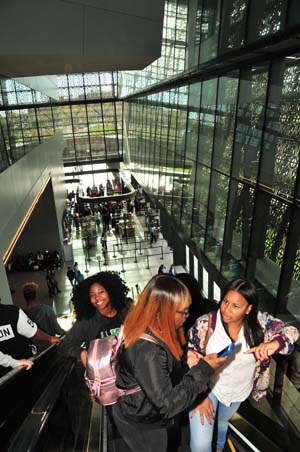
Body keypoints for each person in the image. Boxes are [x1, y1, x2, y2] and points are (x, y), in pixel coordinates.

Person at [112, 274, 227, 452]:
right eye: (183, 311)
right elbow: (167, 406)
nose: (187, 316)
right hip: (145, 425)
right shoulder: (147, 351)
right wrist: (204, 369)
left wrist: (185, 355)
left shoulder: (148, 325)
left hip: (138, 410)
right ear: (162, 311)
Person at [187, 278, 300, 452]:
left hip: (238, 392)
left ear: (248, 309)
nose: (226, 309)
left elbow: (292, 331)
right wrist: (200, 396)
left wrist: (273, 344)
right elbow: (189, 358)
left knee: (223, 422)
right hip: (207, 389)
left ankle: (219, 447)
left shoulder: (259, 325)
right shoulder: (205, 324)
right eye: (225, 301)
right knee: (200, 446)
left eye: (235, 306)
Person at [61, 271, 130, 366]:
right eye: (92, 295)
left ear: (110, 291)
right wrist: (81, 353)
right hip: (104, 376)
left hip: (129, 372)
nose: (97, 298)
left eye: (101, 292)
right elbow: (64, 345)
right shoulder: (87, 322)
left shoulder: (126, 313)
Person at [0, 301, 61, 378]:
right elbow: (34, 332)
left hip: (4, 376)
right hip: (26, 365)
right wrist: (50, 338)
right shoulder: (12, 312)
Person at [23, 282, 65, 350]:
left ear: (24, 297)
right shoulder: (46, 310)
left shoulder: (22, 315)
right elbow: (58, 330)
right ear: (35, 295)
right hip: (50, 346)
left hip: (34, 351)